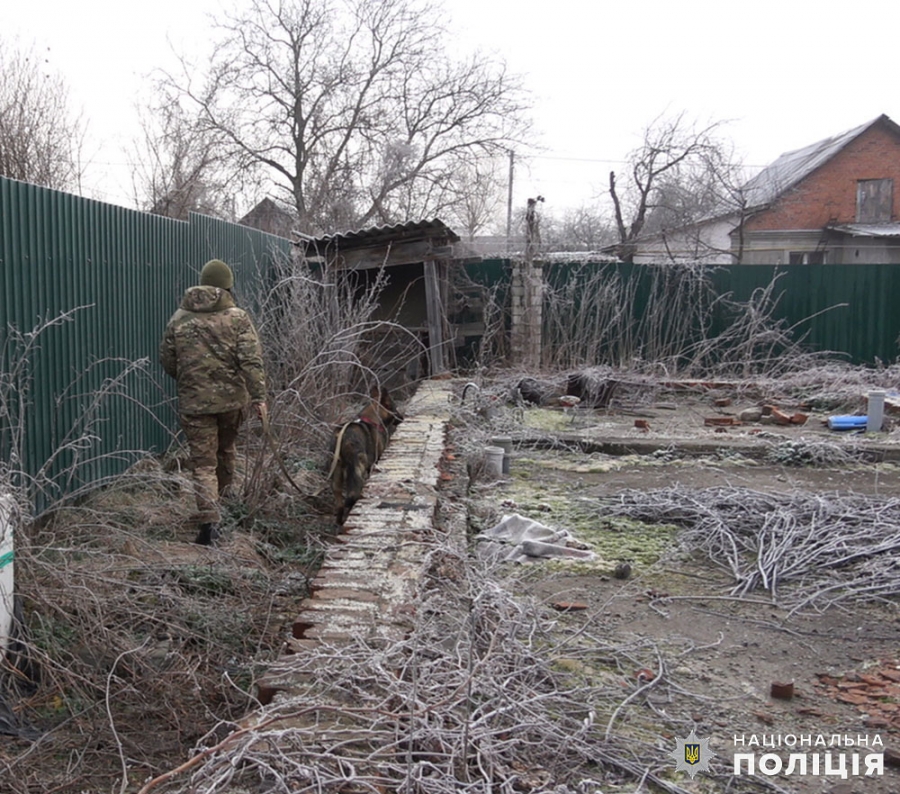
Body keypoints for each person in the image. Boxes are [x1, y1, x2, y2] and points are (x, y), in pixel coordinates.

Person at [159, 259, 268, 545]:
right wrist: (259, 397)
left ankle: (209, 525)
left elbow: (167, 360)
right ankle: (226, 501)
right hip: (232, 402)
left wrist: (191, 381)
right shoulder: (238, 318)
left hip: (195, 403)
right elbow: (251, 361)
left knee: (203, 463)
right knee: (226, 449)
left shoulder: (179, 318)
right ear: (228, 286)